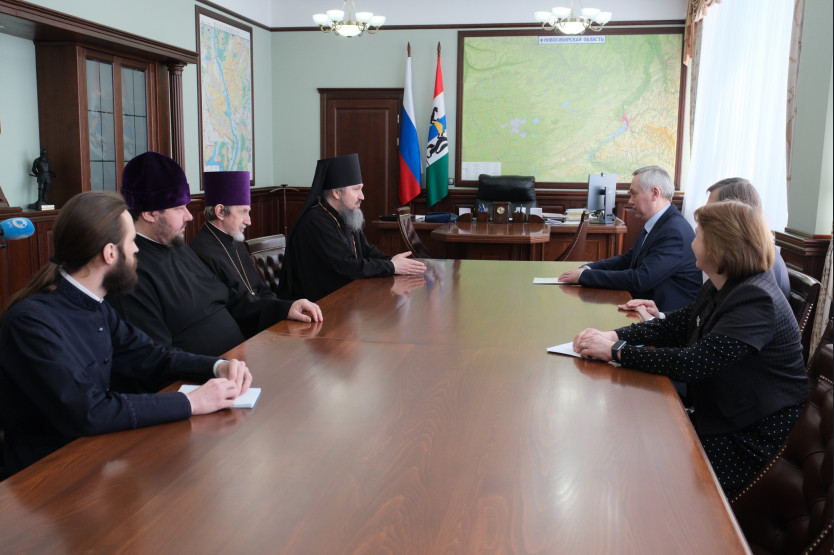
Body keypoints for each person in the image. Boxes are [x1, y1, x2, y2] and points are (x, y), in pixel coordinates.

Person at [0, 191, 252, 477]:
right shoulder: (30, 323)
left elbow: (151, 356)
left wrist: (217, 366)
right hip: (47, 475)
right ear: (110, 253)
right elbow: (89, 411)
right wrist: (192, 402)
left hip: (97, 454)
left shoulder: (96, 305)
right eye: (131, 242)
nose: (136, 251)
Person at [572, 201, 808, 497]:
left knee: (638, 467)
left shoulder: (756, 298)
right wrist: (612, 335)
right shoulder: (724, 285)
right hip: (725, 414)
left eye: (698, 235)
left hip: (751, 436)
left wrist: (616, 351)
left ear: (719, 247)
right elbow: (672, 326)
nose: (692, 241)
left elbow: (692, 363)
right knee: (627, 441)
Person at [107, 152, 321, 392]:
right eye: (179, 208)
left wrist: (285, 308)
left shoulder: (179, 248)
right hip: (202, 386)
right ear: (149, 213)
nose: (190, 216)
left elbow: (233, 301)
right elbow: (154, 358)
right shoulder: (129, 272)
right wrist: (216, 369)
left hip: (239, 365)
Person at [277, 153, 426, 302]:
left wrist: (392, 260)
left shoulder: (345, 214)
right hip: (316, 304)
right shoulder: (315, 222)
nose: (362, 196)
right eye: (356, 189)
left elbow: (367, 251)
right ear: (336, 193)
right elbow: (345, 266)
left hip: (343, 296)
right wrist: (391, 266)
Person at [558, 166, 701, 313]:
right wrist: (588, 268)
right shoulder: (660, 222)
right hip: (643, 307)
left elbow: (641, 279)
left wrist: (585, 276)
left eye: (634, 194)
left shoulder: (674, 231)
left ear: (655, 193)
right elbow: (628, 259)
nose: (630, 201)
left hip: (665, 317)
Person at [189, 170, 274, 298]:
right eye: (243, 212)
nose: (249, 221)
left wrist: (285, 306)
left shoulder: (235, 240)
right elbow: (228, 304)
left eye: (248, 212)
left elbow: (260, 288)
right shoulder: (200, 252)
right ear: (220, 212)